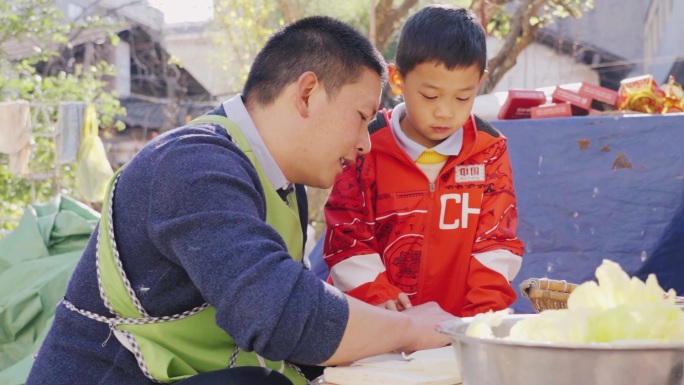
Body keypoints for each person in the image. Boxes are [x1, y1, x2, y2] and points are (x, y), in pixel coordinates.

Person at [26, 16, 456, 385]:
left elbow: (295, 304)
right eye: (362, 117)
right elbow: (278, 313)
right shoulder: (191, 163)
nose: (365, 143)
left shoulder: (281, 185)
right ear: (306, 93)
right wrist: (408, 331)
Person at [323, 5, 525, 317]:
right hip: (376, 323)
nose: (445, 112)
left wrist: (480, 318)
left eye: (462, 98)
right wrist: (379, 300)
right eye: (430, 96)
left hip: (457, 326)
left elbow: (496, 241)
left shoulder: (489, 150)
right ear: (397, 79)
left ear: (480, 83)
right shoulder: (366, 145)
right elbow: (347, 234)